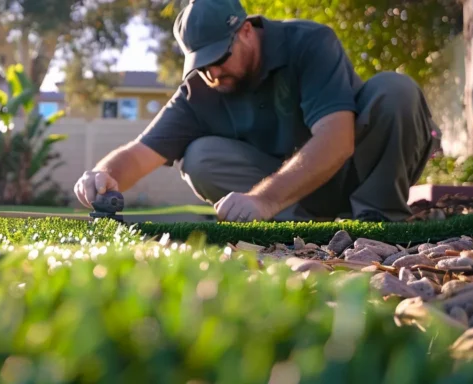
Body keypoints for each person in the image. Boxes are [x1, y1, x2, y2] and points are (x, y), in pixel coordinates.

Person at [72, 0, 441, 223]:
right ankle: (296, 227)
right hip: (294, 203)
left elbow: (337, 139)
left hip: (354, 175)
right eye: (201, 65)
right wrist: (105, 176)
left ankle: (379, 217)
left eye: (219, 57)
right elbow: (139, 153)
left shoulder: (309, 43)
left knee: (396, 89)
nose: (212, 72)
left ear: (247, 30)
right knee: (199, 157)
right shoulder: (201, 89)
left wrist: (263, 199)